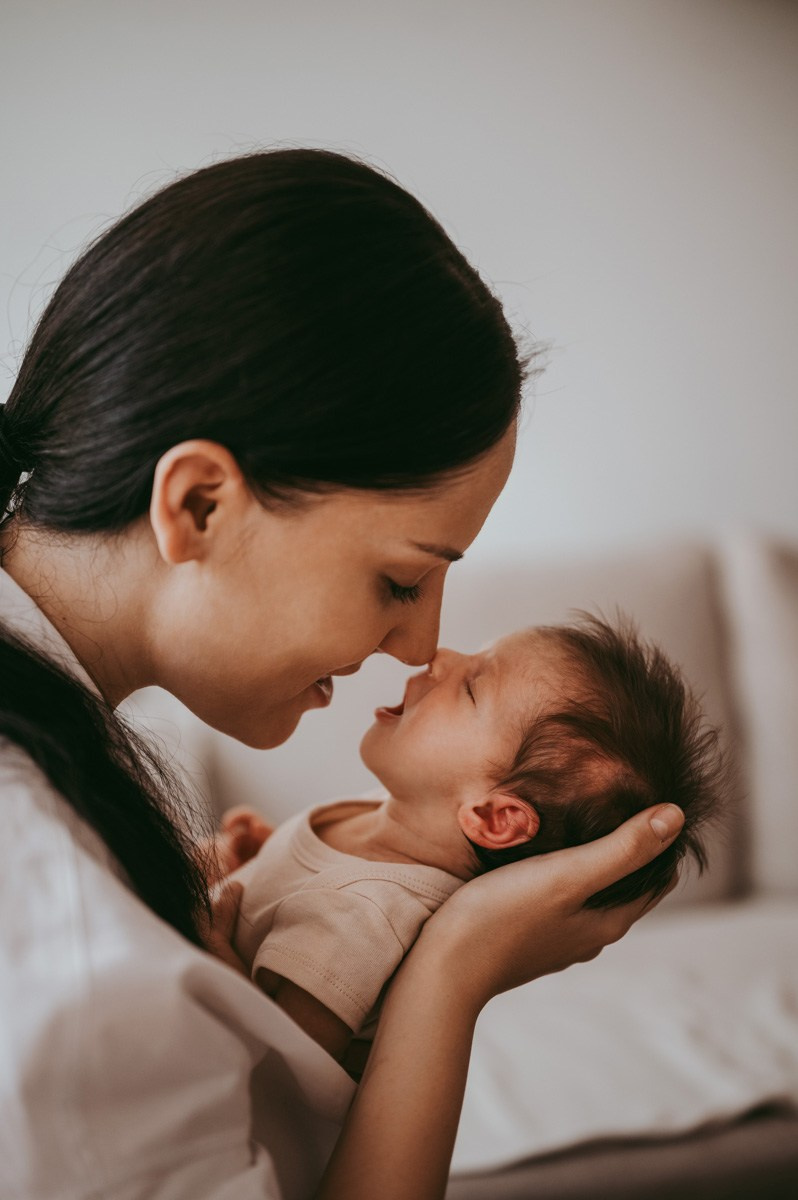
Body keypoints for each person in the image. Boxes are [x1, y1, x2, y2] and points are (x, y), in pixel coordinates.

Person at [0, 148, 686, 1200]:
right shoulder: (56, 906)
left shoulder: (65, 794)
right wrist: (453, 969)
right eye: (402, 579)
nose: (418, 647)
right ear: (198, 505)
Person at [224, 616, 723, 1076]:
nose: (438, 656)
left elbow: (278, 1077)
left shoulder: (360, 921)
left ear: (494, 817)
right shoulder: (392, 814)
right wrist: (270, 865)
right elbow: (310, 900)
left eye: (471, 689)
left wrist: (214, 943)